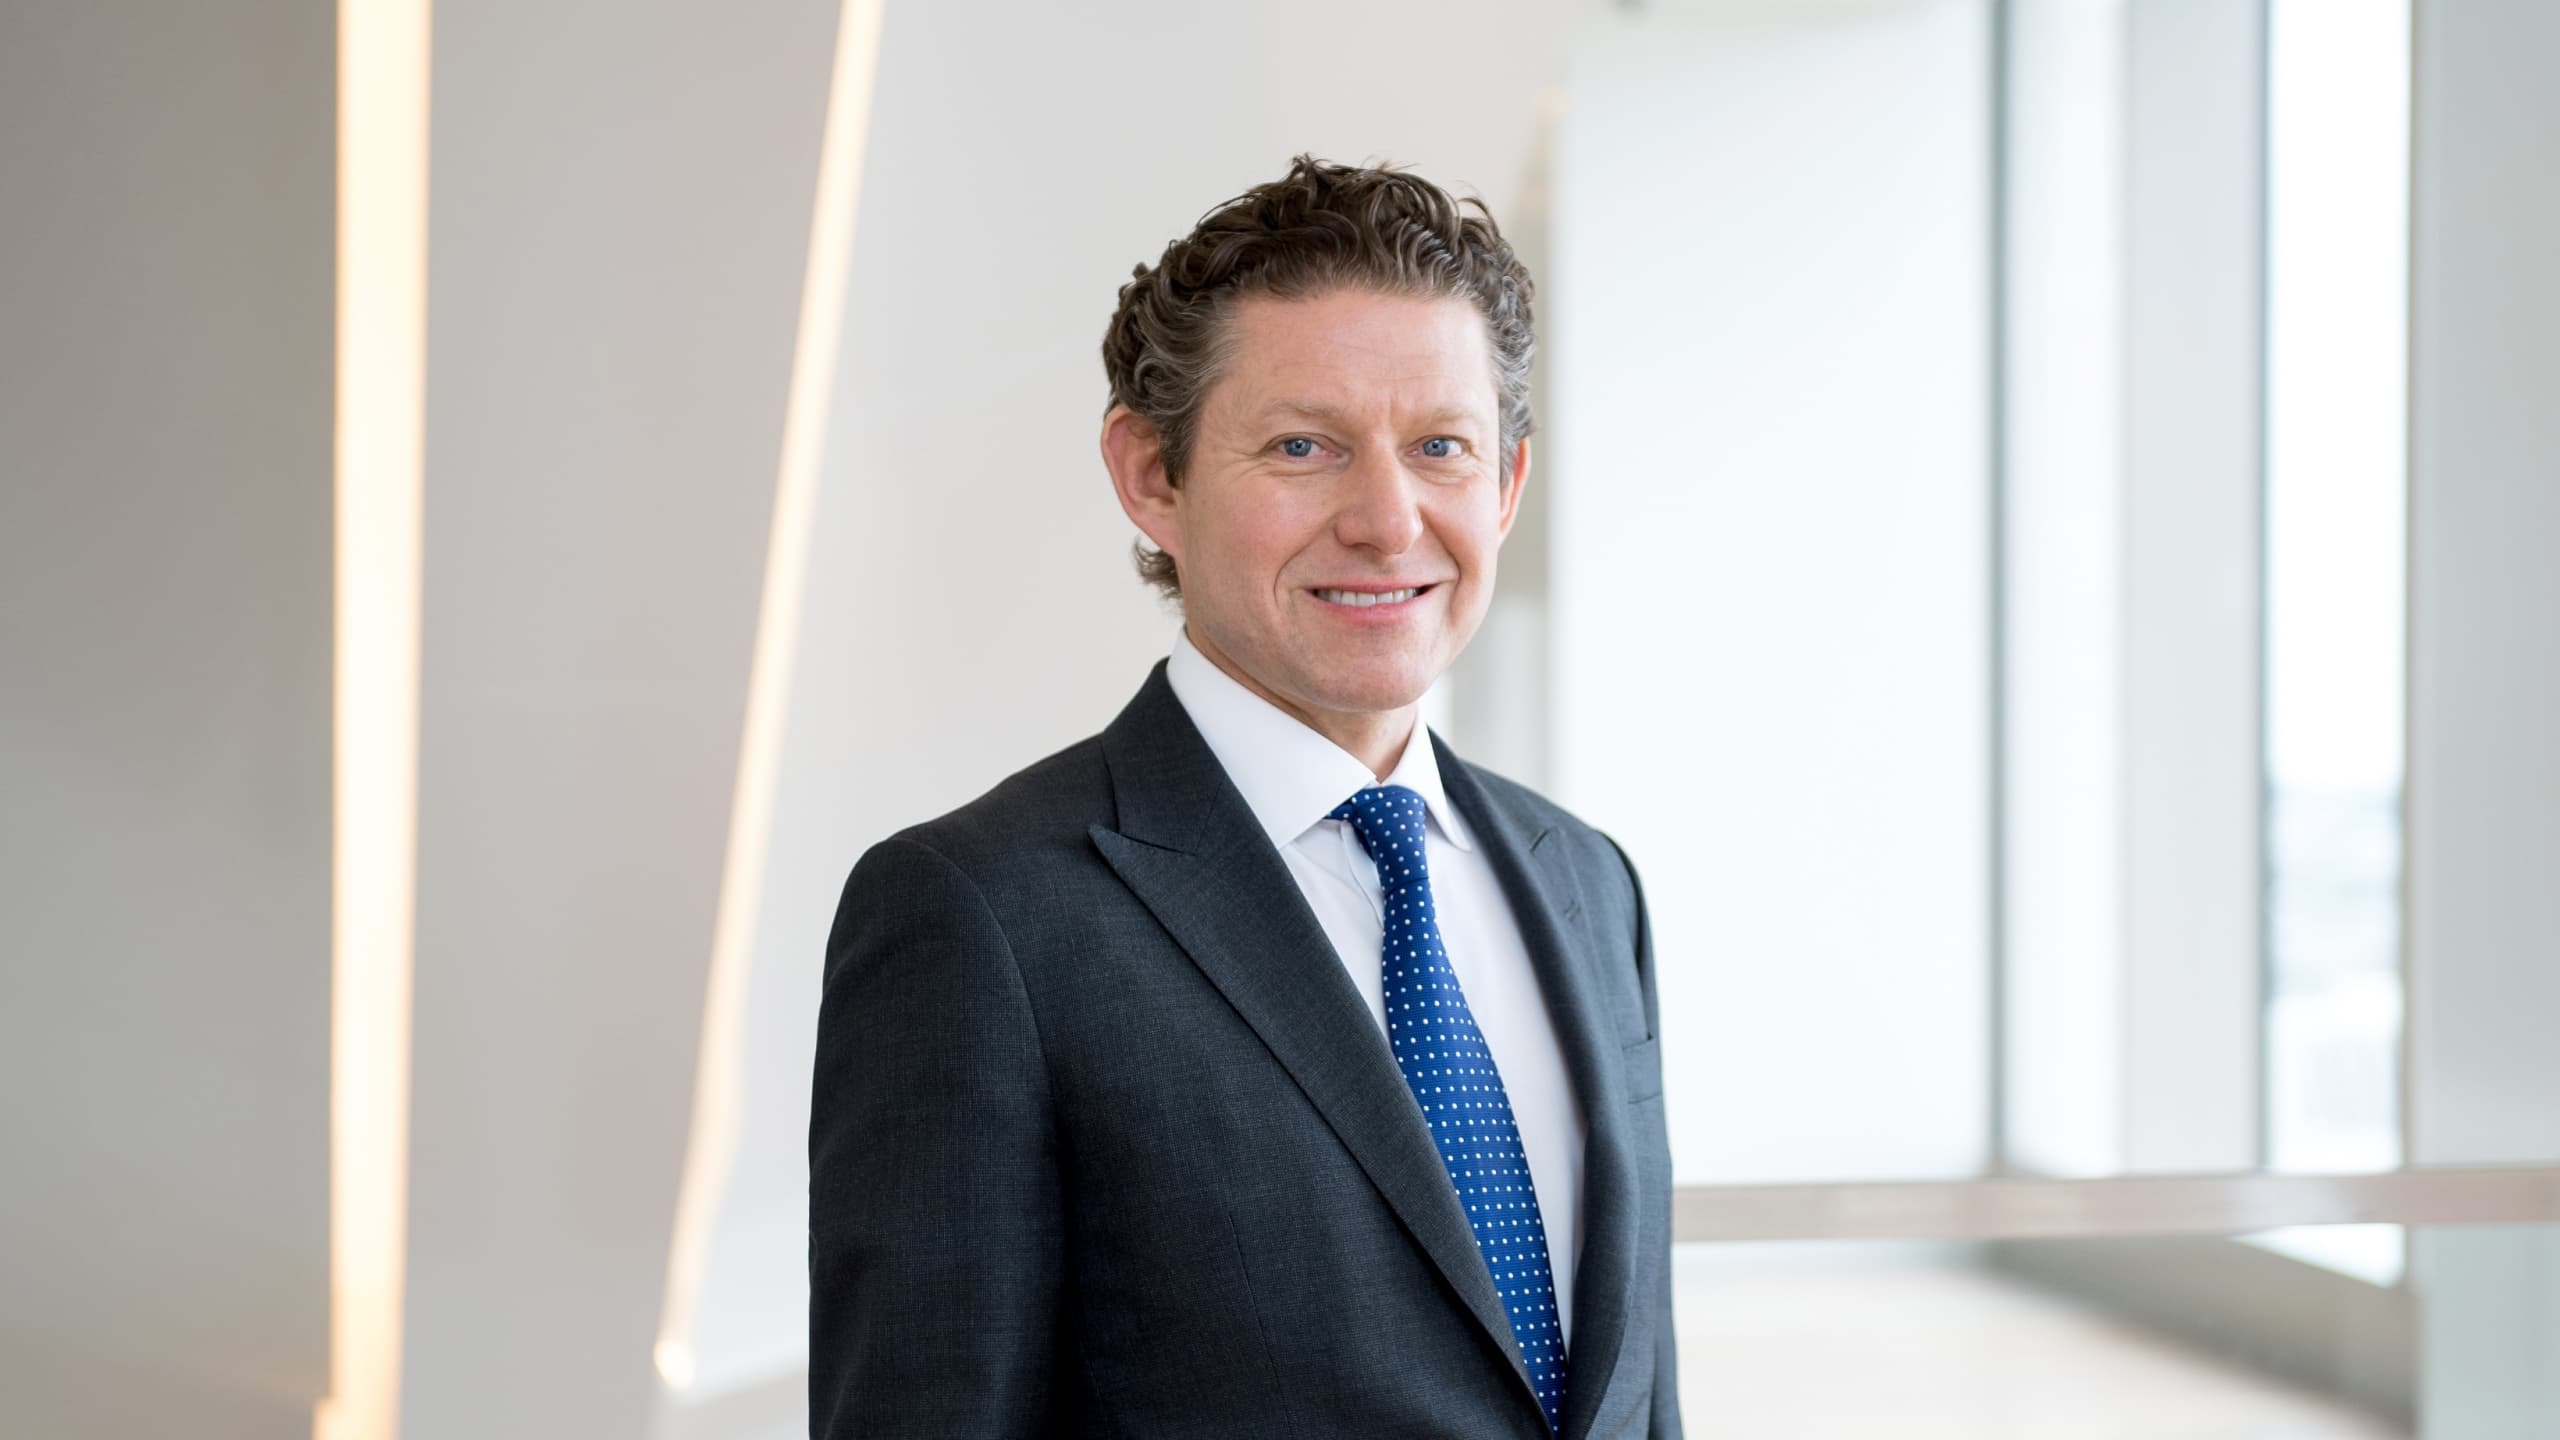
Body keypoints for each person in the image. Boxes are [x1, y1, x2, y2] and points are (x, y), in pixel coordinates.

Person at [808, 155, 1679, 1439]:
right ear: (1151, 477)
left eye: (1440, 448)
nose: (1387, 521)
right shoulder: (981, 920)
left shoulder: (1588, 882)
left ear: (1505, 485)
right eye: (1302, 447)